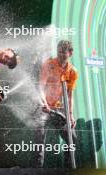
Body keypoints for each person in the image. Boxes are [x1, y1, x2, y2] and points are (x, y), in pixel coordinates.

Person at [33, 40, 78, 168]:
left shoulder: (73, 71)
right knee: (39, 143)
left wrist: (70, 115)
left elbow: (69, 95)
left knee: (72, 139)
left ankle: (68, 169)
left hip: (58, 109)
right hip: (43, 108)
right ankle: (37, 170)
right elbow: (40, 86)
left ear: (70, 53)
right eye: (59, 52)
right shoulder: (49, 64)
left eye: (64, 53)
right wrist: (44, 103)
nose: (61, 55)